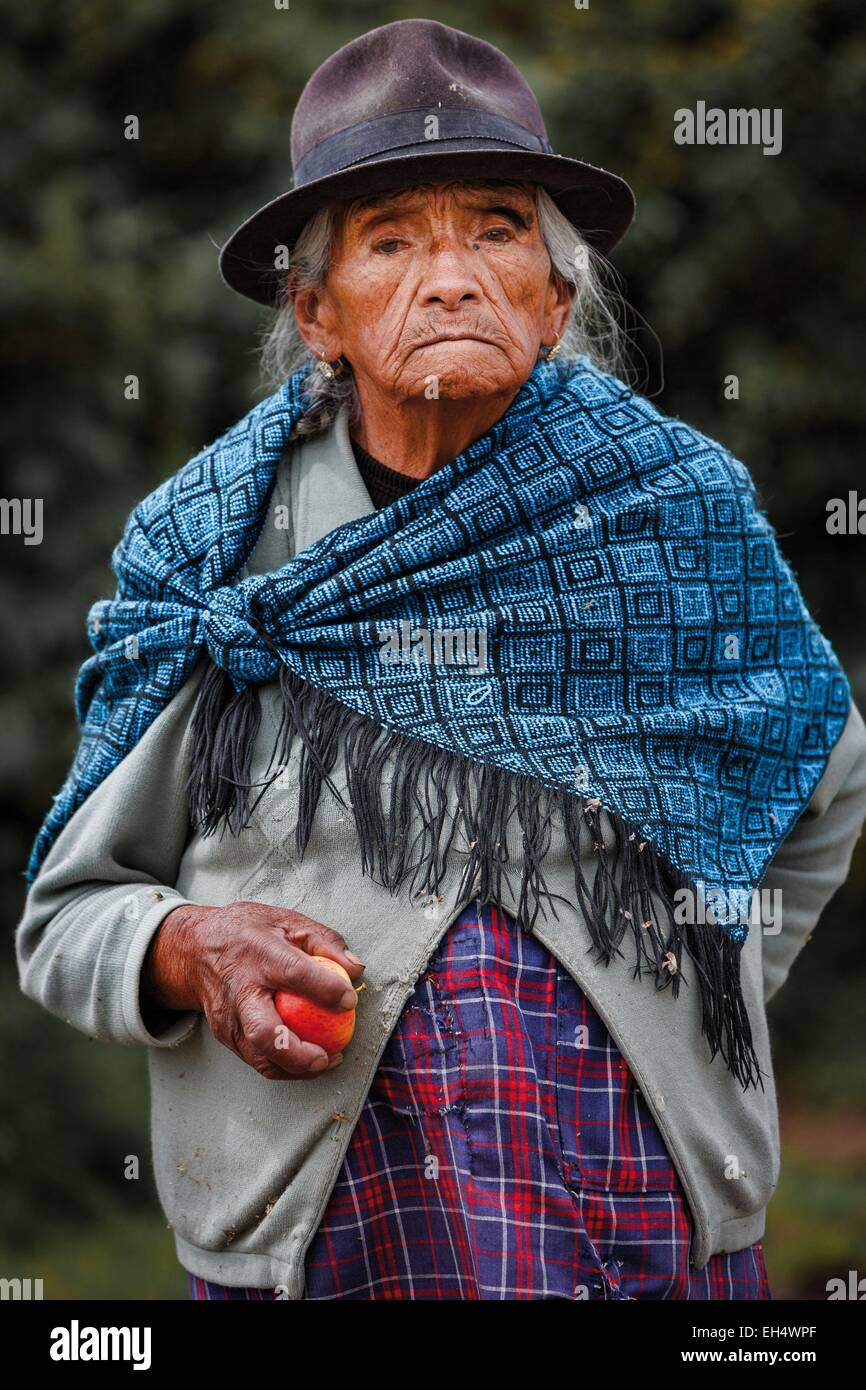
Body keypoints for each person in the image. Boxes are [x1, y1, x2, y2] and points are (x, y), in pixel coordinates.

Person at [16, 18, 866, 1301]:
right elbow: (67, 915)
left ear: (555, 295)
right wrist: (193, 947)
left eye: (494, 227)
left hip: (629, 1215)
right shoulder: (215, 558)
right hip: (319, 1232)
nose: (453, 275)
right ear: (317, 312)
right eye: (392, 239)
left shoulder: (667, 516)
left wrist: (694, 997)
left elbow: (817, 781)